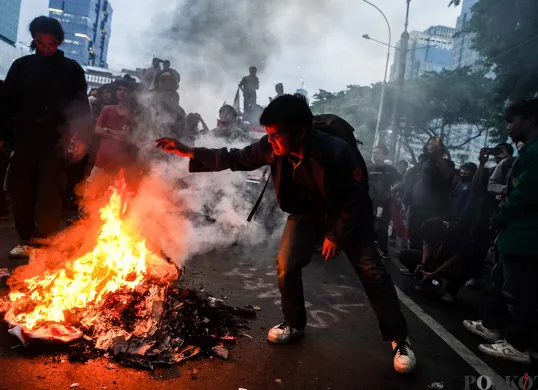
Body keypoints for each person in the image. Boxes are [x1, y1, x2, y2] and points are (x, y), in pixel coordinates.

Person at [155, 94, 416, 374]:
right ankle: (294, 323)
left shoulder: (337, 152)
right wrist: (190, 151)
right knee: (286, 266)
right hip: (306, 214)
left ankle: (399, 339)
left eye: (277, 135)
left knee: (373, 274)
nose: (271, 141)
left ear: (301, 131)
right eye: (269, 135)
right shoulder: (271, 148)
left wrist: (336, 236)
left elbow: (357, 199)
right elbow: (235, 158)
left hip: (347, 216)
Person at [0, 16, 91, 258]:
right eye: (40, 43)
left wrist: (81, 137)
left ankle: (43, 241)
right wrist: (2, 135)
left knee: (50, 191)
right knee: (20, 190)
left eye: (50, 44)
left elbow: (81, 106)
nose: (45, 48)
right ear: (35, 40)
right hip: (24, 139)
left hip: (55, 141)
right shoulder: (22, 66)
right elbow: (7, 103)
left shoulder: (71, 69)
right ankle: (25, 238)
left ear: (59, 42)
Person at [470, 99, 538, 366]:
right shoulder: (529, 151)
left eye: (513, 121)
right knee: (505, 282)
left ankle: (519, 345)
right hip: (518, 232)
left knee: (520, 292)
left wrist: (499, 216)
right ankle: (494, 327)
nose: (509, 127)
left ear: (530, 120)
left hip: (526, 234)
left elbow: (523, 195)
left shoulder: (534, 153)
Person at [400, 218, 472, 303]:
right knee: (405, 255)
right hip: (438, 259)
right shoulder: (430, 224)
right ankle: (431, 281)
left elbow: (453, 259)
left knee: (461, 268)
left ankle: (449, 290)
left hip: (453, 262)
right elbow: (426, 244)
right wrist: (423, 264)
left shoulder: (460, 232)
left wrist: (436, 273)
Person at [407, 139, 454, 250]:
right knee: (413, 235)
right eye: (430, 144)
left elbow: (447, 176)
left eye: (436, 145)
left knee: (429, 237)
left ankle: (424, 263)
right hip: (416, 206)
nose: (432, 146)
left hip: (433, 209)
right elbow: (411, 181)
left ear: (441, 148)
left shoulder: (446, 163)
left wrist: (438, 157)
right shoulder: (422, 162)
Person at [368, 145, 401, 259]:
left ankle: (384, 250)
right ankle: (368, 249)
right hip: (370, 202)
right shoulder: (369, 167)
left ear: (384, 155)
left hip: (385, 203)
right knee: (369, 225)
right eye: (374, 152)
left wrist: (393, 190)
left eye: (378, 153)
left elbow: (401, 181)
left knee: (383, 227)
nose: (375, 155)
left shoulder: (391, 170)